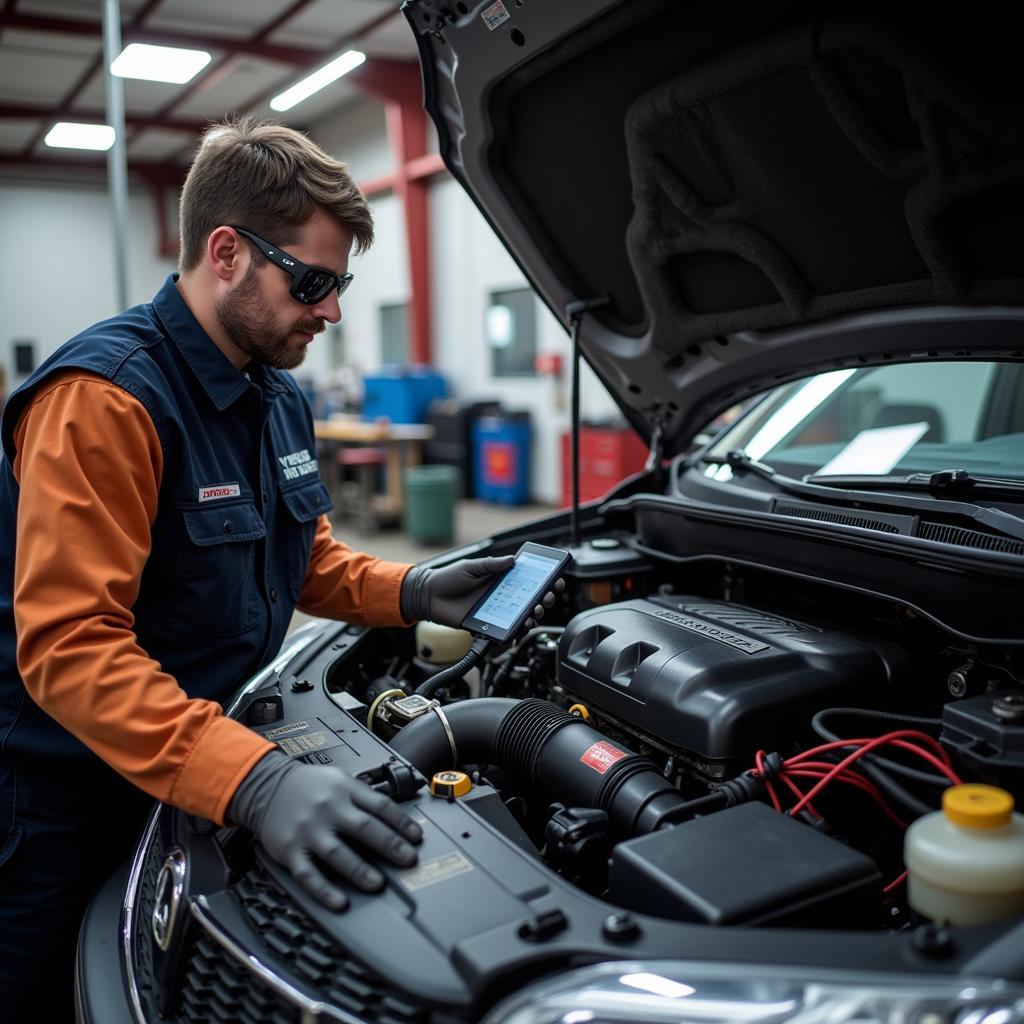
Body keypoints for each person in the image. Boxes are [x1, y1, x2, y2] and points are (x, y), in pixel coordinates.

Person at [0, 117, 555, 1022]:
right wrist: (253, 781)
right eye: (313, 282)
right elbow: (69, 650)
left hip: (200, 761)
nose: (331, 311)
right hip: (68, 799)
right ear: (226, 253)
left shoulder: (276, 395)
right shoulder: (104, 401)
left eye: (339, 285)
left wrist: (410, 591)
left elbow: (304, 562)